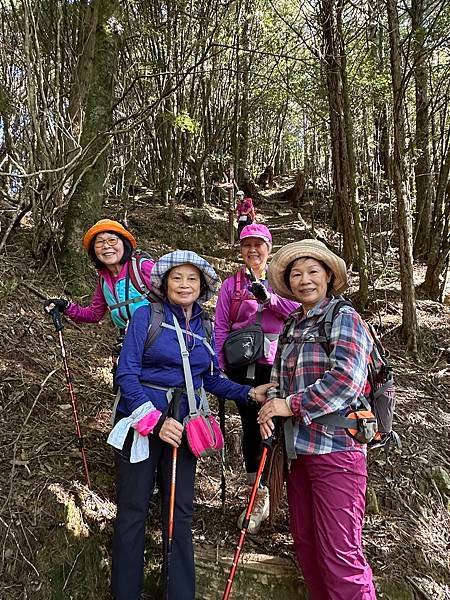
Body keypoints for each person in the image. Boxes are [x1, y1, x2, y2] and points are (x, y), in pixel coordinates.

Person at [107, 250, 274, 600]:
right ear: (164, 284)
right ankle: (126, 592)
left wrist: (249, 394)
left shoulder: (204, 325)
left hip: (185, 423)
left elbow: (209, 378)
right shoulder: (145, 317)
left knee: (180, 513)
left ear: (202, 286)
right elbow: (126, 373)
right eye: (177, 278)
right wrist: (155, 422)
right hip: (142, 422)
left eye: (192, 279)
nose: (184, 285)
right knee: (134, 509)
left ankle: (179, 593)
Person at [257, 239, 377, 599]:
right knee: (309, 552)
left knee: (341, 556)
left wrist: (289, 406)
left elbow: (346, 380)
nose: (304, 280)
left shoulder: (345, 318)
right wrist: (270, 406)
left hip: (337, 453)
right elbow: (279, 379)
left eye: (312, 271)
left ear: (328, 275)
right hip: (299, 454)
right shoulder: (292, 323)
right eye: (296, 274)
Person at [214, 224, 299, 534]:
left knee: (283, 428)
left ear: (269, 247)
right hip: (243, 368)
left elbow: (299, 310)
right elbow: (221, 326)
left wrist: (269, 300)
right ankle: (258, 492)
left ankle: (288, 496)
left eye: (258, 244)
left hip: (279, 366)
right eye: (247, 245)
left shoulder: (283, 280)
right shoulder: (231, 286)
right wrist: (220, 366)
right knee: (252, 429)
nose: (253, 250)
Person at [44, 219, 155, 384]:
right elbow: (94, 314)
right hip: (128, 347)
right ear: (93, 251)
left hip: (157, 344)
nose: (106, 246)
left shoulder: (142, 267)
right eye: (100, 242)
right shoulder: (104, 280)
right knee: (126, 397)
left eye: (112, 240)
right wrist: (65, 306)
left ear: (124, 243)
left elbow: (177, 294)